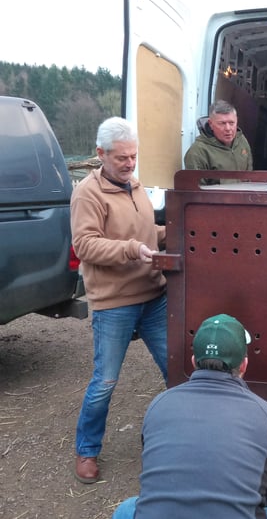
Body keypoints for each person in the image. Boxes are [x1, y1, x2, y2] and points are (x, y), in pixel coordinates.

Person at [111, 314, 267, 519]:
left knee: (127, 508)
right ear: (243, 365)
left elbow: (153, 474)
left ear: (194, 361)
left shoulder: (158, 405)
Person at [71, 117, 168, 484]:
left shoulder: (136, 187)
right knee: (106, 380)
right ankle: (87, 450)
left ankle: (180, 439)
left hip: (154, 296)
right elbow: (85, 244)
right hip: (115, 302)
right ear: (101, 154)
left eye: (133, 157)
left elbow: (145, 232)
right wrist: (131, 250)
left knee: (175, 371)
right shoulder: (87, 193)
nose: (129, 164)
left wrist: (171, 232)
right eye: (122, 158)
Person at [183, 99, 253, 181]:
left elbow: (249, 175)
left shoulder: (241, 140)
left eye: (231, 123)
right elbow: (196, 190)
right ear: (210, 124)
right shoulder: (197, 152)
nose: (228, 128)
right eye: (222, 123)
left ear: (237, 120)